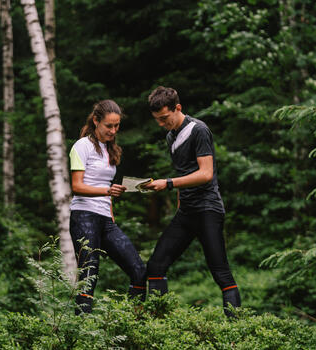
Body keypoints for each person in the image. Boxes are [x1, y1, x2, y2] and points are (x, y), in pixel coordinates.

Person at [143, 86, 241, 318]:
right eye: (157, 119)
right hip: (186, 213)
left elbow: (206, 174)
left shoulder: (199, 130)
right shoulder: (170, 137)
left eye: (164, 118)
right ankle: (158, 328)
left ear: (178, 108)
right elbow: (183, 173)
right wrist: (178, 203)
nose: (161, 124)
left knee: (221, 273)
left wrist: (167, 183)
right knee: (155, 266)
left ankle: (239, 330)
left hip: (208, 209)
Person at [69, 99, 146, 314]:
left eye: (117, 125)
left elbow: (106, 187)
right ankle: (80, 334)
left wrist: (110, 213)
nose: (113, 130)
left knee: (139, 269)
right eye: (109, 126)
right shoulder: (81, 146)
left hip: (105, 218)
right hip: (83, 216)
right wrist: (107, 191)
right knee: (88, 276)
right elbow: (77, 186)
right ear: (96, 121)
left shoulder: (110, 149)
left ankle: (133, 324)